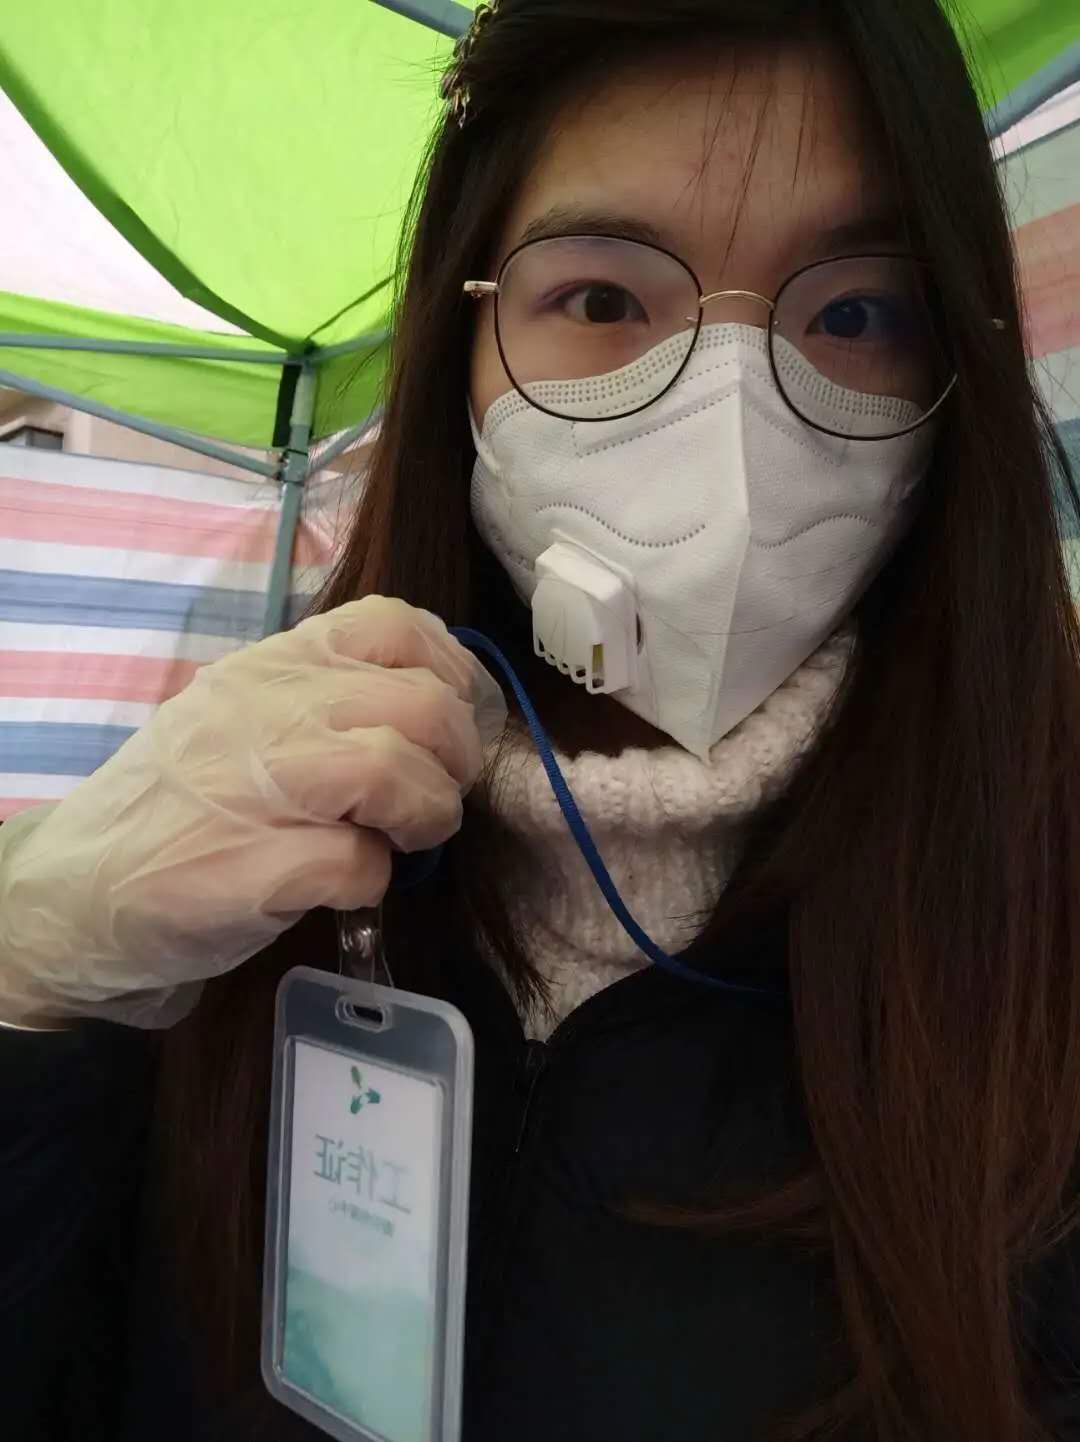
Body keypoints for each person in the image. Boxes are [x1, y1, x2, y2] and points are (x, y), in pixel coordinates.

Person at [2, 0, 1079, 1438]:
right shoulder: (231, 867)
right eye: (603, 300)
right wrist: (28, 985)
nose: (730, 440)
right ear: (462, 341)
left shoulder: (1043, 937)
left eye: (856, 315)